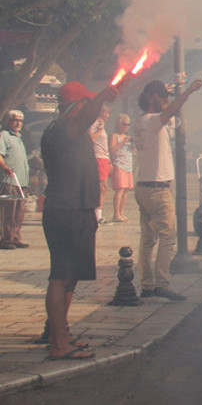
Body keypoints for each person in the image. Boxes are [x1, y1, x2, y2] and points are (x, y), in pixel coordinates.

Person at [41, 80, 123, 360]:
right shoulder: (65, 129)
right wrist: (103, 95)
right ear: (78, 106)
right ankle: (57, 344)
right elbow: (85, 116)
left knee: (69, 279)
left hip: (77, 209)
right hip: (68, 211)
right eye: (87, 103)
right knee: (61, 276)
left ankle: (61, 334)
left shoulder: (68, 129)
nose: (94, 109)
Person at [133, 79, 202, 302]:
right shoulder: (152, 121)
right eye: (162, 96)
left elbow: (169, 109)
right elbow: (171, 110)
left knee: (147, 240)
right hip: (156, 189)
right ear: (151, 97)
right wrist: (189, 90)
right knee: (167, 237)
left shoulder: (141, 122)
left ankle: (147, 285)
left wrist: (177, 89)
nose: (166, 99)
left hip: (144, 187)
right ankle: (161, 283)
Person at [0, 110, 30, 249]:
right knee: (9, 212)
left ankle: (16, 237)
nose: (18, 123)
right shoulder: (4, 136)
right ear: (8, 121)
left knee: (19, 211)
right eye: (15, 120)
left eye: (20, 121)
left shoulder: (19, 137)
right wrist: (5, 168)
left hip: (22, 181)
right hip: (9, 181)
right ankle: (7, 239)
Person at [109, 113, 134, 222]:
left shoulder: (126, 137)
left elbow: (132, 152)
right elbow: (112, 150)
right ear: (119, 124)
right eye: (124, 124)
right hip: (119, 164)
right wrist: (124, 142)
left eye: (128, 124)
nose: (126, 127)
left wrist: (132, 145)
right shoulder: (114, 136)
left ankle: (121, 213)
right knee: (120, 190)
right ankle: (116, 214)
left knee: (125, 191)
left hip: (128, 165)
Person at [88, 104, 110, 224]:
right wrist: (99, 131)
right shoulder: (96, 123)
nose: (108, 115)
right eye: (107, 112)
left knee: (103, 187)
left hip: (104, 158)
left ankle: (98, 213)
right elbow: (90, 137)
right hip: (99, 157)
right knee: (102, 186)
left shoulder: (101, 124)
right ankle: (97, 215)